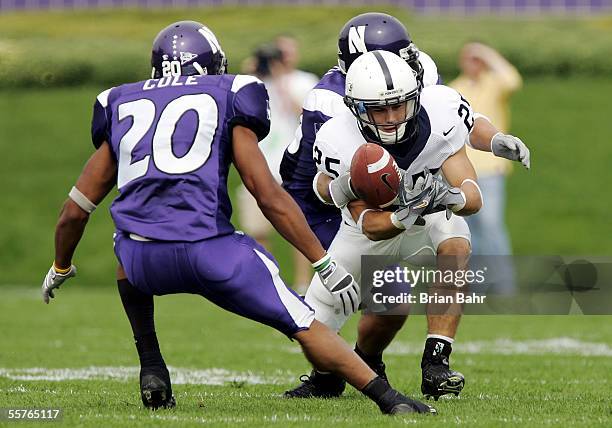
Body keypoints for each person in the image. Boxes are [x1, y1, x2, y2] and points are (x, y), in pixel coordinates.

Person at [40, 20, 436, 416]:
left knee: (124, 245)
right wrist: (323, 262)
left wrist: (61, 264)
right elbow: (267, 193)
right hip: (213, 253)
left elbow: (76, 209)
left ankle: (152, 365)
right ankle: (390, 400)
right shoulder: (231, 92)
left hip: (145, 261)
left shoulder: (118, 101)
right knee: (303, 323)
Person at [282, 13, 530, 400]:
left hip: (415, 208)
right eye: (380, 109)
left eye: (400, 104)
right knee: (321, 323)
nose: (393, 116)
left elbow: (463, 127)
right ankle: (335, 372)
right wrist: (365, 194)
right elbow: (337, 199)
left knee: (454, 238)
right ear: (355, 100)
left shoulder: (433, 97)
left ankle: (436, 363)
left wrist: (487, 151)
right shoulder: (332, 119)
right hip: (346, 207)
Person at [236, 42, 317, 292]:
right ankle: (271, 283)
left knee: (298, 230)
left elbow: (304, 115)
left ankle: (303, 283)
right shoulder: (254, 84)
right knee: (258, 231)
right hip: (259, 166)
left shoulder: (304, 81)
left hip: (291, 168)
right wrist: (248, 74)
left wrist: (281, 81)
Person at [449, 42, 523, 292]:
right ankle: (478, 287)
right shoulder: (455, 89)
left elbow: (513, 79)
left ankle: (504, 287)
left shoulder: (493, 84)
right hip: (462, 171)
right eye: (470, 58)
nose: (474, 63)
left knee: (492, 227)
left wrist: (487, 53)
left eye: (478, 59)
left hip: (490, 170)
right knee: (470, 233)